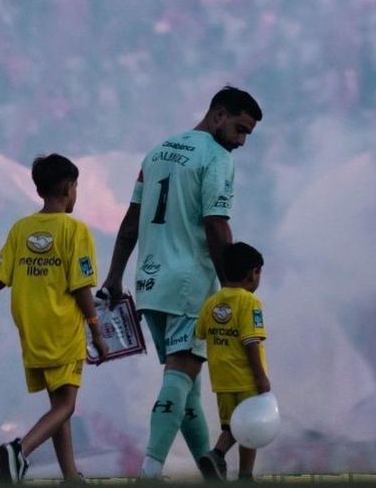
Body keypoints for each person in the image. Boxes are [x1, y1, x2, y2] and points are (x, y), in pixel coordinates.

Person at [100, 86, 263, 479]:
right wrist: (231, 284)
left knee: (186, 386)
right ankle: (150, 471)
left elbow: (131, 220)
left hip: (149, 284)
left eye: (247, 135)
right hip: (190, 282)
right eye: (239, 129)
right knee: (180, 377)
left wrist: (115, 275)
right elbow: (215, 223)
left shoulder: (157, 152)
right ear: (218, 115)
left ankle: (209, 469)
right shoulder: (216, 157)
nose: (240, 141)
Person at [0, 154, 109, 483]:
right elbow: (81, 288)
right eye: (77, 186)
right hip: (62, 327)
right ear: (68, 188)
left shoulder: (21, 228)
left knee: (57, 406)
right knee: (66, 405)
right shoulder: (75, 230)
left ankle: (70, 475)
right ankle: (19, 450)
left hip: (31, 330)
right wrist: (97, 331)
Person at [194, 242, 271, 482]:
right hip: (246, 379)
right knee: (250, 428)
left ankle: (216, 455)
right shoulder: (250, 303)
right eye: (259, 273)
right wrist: (260, 376)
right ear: (252, 274)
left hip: (222, 380)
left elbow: (200, 333)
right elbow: (251, 342)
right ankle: (246, 476)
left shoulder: (212, 303)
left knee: (231, 427)